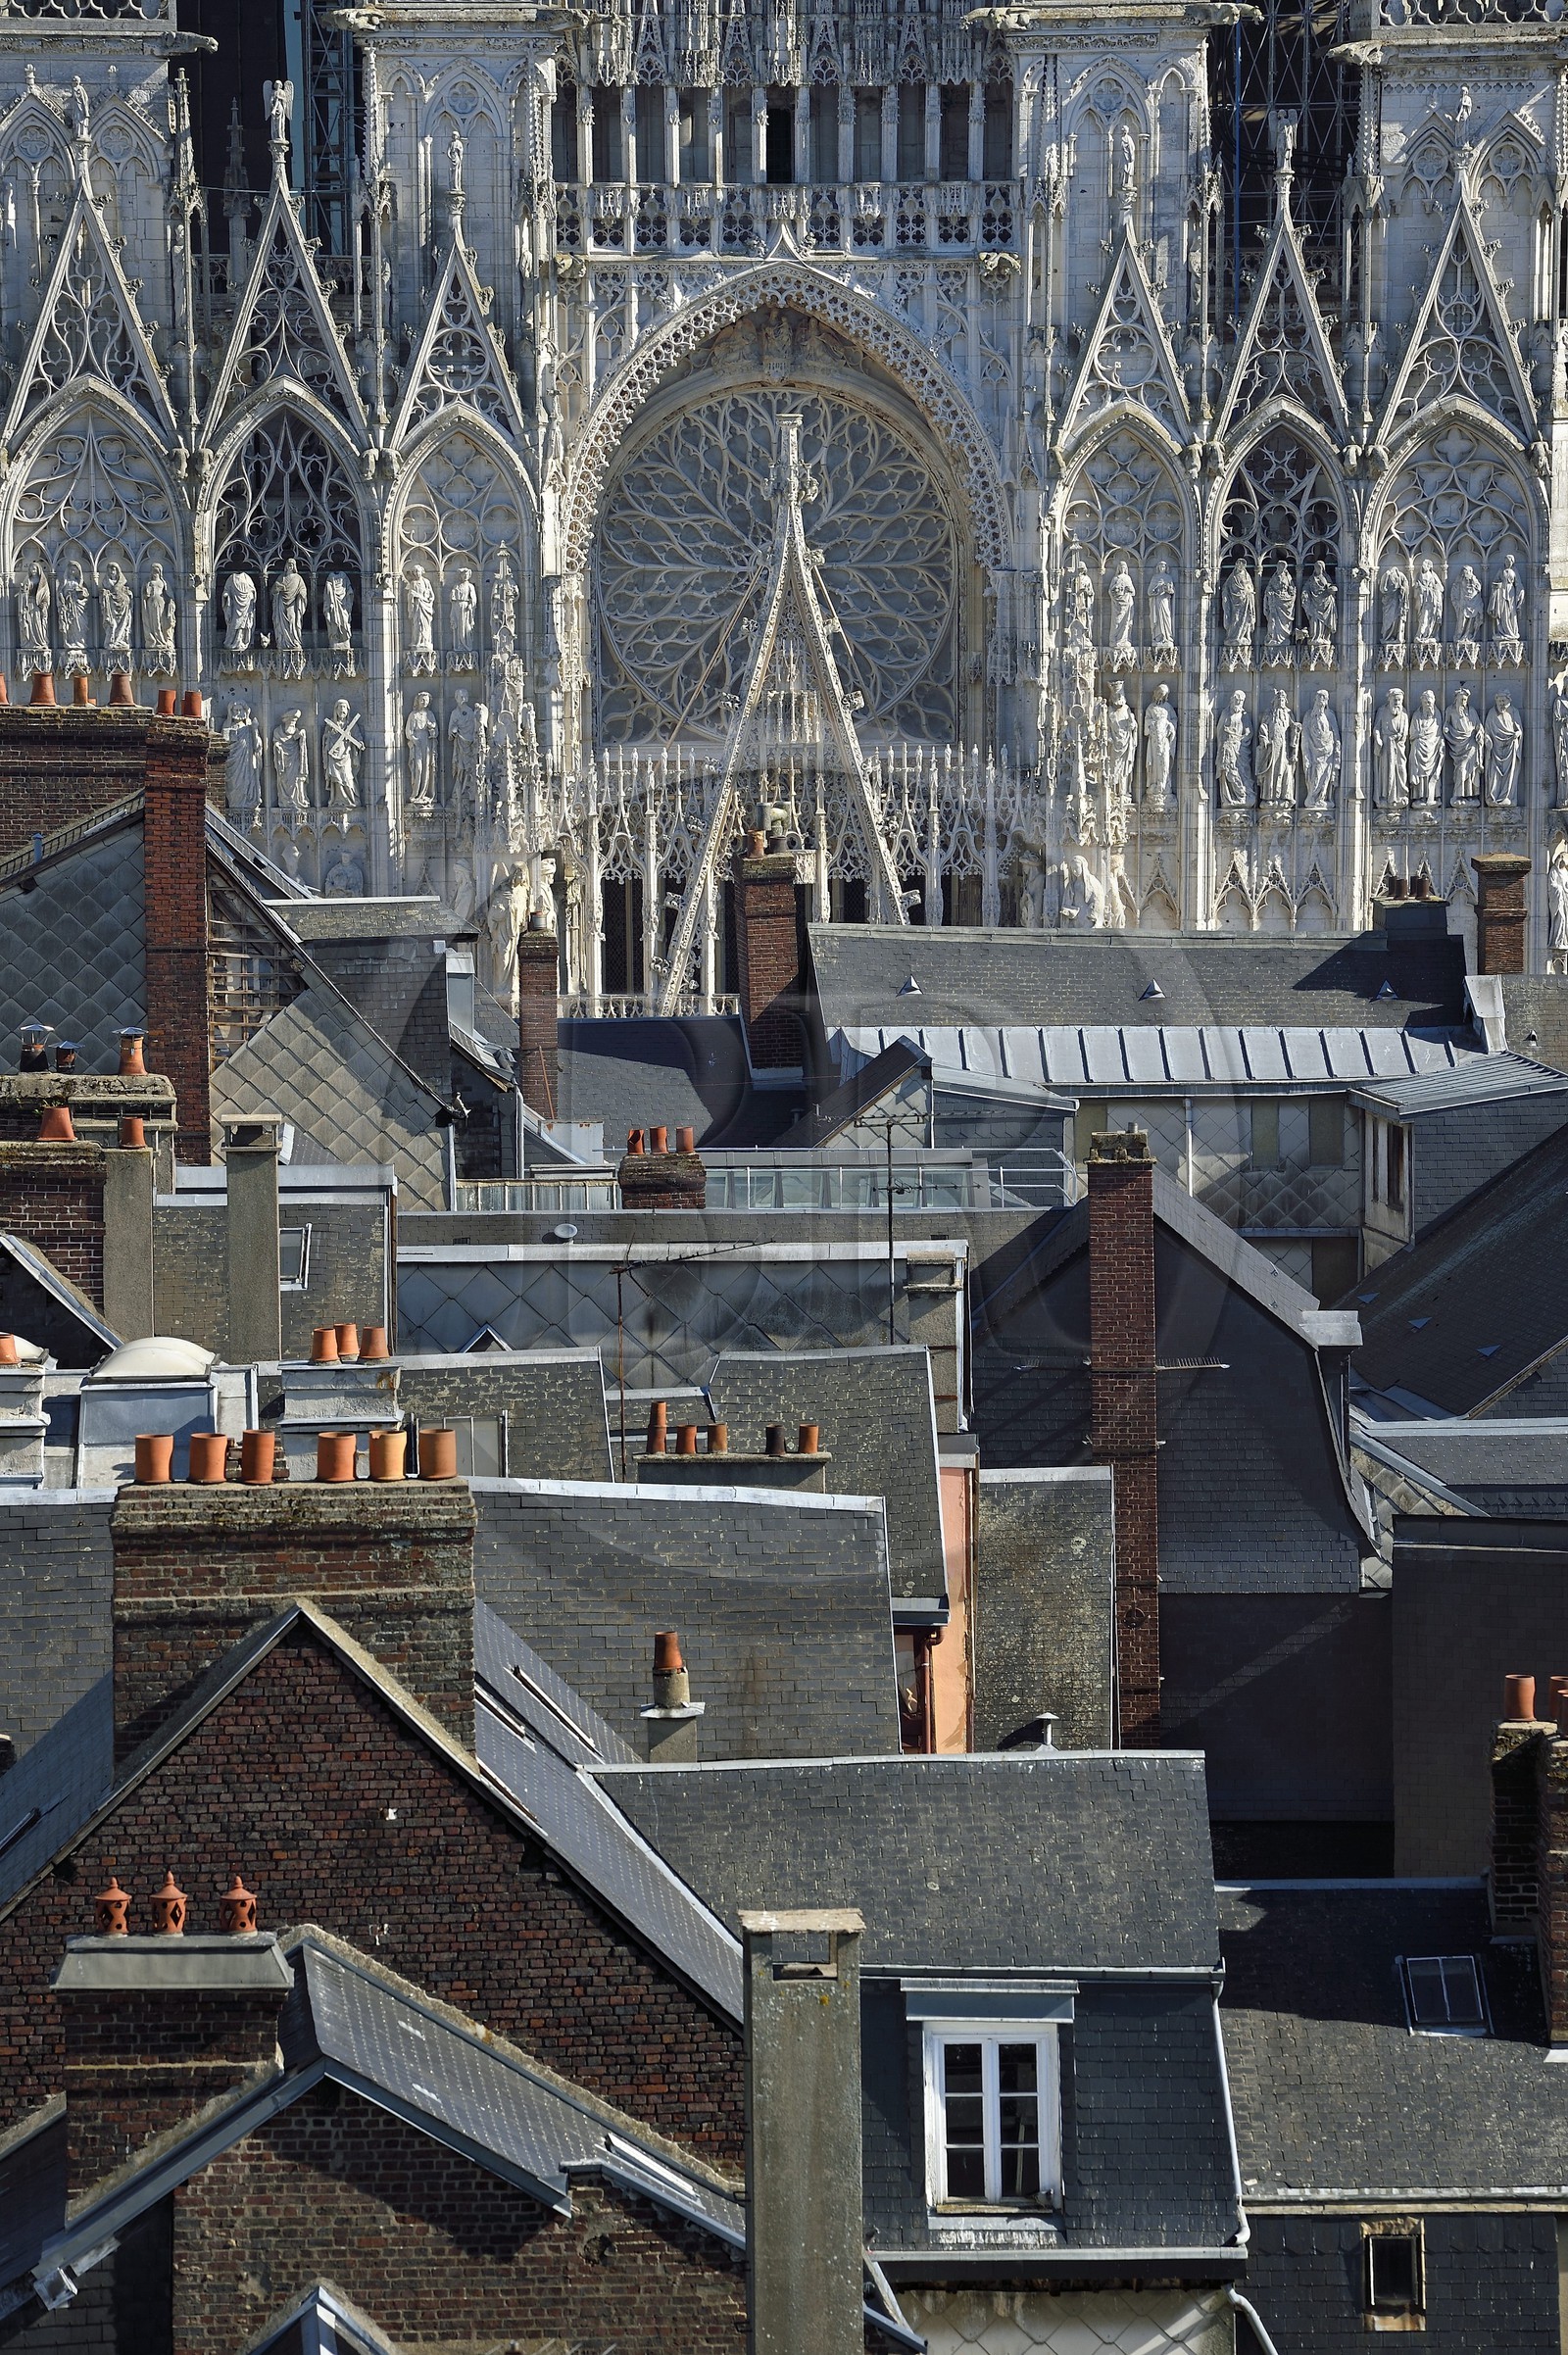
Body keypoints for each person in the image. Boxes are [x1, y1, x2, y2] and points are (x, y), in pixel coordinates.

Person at [321, 700, 365, 807]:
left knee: (347, 776)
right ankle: (336, 799)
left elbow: (357, 736)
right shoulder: (331, 724)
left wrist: (360, 743)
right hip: (333, 755)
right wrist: (329, 737)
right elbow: (325, 739)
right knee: (336, 779)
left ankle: (351, 800)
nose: (342, 710)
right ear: (336, 710)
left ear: (347, 710)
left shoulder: (351, 725)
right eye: (340, 708)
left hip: (346, 755)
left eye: (344, 708)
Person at [270, 557, 308, 681]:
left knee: (293, 621)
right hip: (282, 604)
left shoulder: (298, 578)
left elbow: (302, 589)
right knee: (281, 623)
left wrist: (302, 594)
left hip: (292, 604)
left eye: (292, 564)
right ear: (286, 566)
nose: (290, 566)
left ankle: (294, 642)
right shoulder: (282, 577)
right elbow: (273, 591)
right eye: (289, 564)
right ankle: (282, 642)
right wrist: (277, 589)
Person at [1484, 692, 1522, 808]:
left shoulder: (1514, 712)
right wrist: (1487, 740)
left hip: (1510, 747)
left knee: (1510, 773)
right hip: (1495, 749)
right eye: (1499, 701)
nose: (1501, 704)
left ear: (1508, 701)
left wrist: (1517, 734)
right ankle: (1493, 797)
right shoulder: (1491, 713)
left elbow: (1519, 729)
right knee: (1493, 773)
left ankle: (1507, 796)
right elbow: (1487, 731)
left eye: (1503, 701)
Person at [1373, 688, 1409, 811]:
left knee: (1400, 769)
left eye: (1399, 700)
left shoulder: (1404, 713)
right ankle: (1386, 797)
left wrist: (1400, 736)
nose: (1397, 702)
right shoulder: (1382, 711)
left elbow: (1405, 732)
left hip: (1399, 747)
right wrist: (1378, 738)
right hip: (1386, 748)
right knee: (1386, 772)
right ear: (1389, 699)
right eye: (1395, 700)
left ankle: (1400, 795)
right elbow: (1376, 728)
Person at [1216, 689, 1253, 806]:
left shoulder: (1244, 716)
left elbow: (1249, 732)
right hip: (1227, 747)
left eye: (1241, 701)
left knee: (1242, 772)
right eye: (1237, 700)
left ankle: (1243, 795)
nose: (1239, 702)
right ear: (1232, 700)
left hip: (1240, 748)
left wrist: (1239, 739)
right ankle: (1228, 798)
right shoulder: (1226, 714)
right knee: (1227, 770)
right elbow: (1219, 731)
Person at [1143, 686, 1177, 811]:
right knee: (1153, 764)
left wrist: (1170, 727)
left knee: (1165, 764)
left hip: (1165, 742)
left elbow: (1174, 721)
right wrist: (1152, 725)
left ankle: (1164, 786)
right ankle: (1154, 784)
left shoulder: (1168, 708)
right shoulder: (1151, 708)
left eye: (1163, 695)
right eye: (1159, 694)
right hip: (1153, 742)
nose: (1161, 697)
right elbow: (1146, 724)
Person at [405, 690, 438, 810]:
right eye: (422, 700)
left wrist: (432, 730)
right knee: (418, 768)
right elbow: (408, 732)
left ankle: (425, 794)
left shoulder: (430, 715)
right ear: (417, 701)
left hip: (427, 743)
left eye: (426, 700)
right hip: (417, 744)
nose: (424, 702)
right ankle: (416, 794)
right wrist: (413, 739)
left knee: (427, 768)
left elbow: (435, 732)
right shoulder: (413, 715)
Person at [222, 569, 257, 659]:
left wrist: (251, 595)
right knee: (235, 624)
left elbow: (252, 590)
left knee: (246, 625)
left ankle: (244, 642)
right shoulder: (231, 578)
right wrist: (226, 595)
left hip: (246, 606)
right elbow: (226, 590)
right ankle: (233, 642)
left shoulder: (247, 578)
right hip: (235, 607)